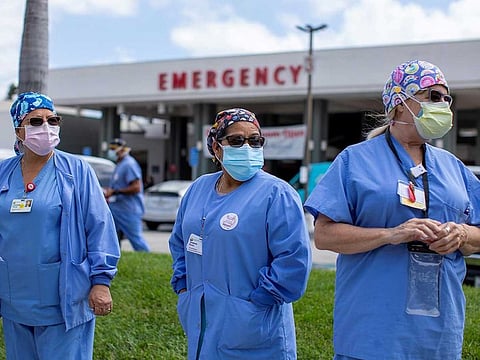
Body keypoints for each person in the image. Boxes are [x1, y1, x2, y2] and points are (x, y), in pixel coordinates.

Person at [304, 60, 480, 359]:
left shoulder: (453, 168)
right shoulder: (355, 161)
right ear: (399, 104)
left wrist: (462, 234)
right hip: (372, 330)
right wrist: (390, 234)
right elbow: (324, 236)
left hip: (439, 334)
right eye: (433, 96)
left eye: (446, 99)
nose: (443, 105)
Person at [169, 108, 311, 359]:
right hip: (201, 319)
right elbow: (180, 243)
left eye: (255, 141)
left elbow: (293, 261)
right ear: (215, 147)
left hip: (254, 326)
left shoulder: (277, 194)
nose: (247, 147)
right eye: (236, 140)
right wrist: (184, 287)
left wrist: (255, 303)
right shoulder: (198, 189)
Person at [0, 92, 121, 359]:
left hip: (64, 300)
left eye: (52, 120)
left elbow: (99, 226)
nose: (46, 127)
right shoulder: (3, 172)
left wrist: (101, 281)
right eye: (35, 121)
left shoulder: (76, 170)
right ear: (19, 129)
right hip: (14, 299)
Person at [104, 139, 150, 252]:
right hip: (117, 209)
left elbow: (136, 187)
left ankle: (146, 258)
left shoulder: (129, 164)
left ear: (121, 150)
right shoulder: (120, 164)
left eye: (113, 150)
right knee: (111, 240)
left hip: (129, 210)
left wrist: (115, 192)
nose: (111, 152)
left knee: (136, 240)